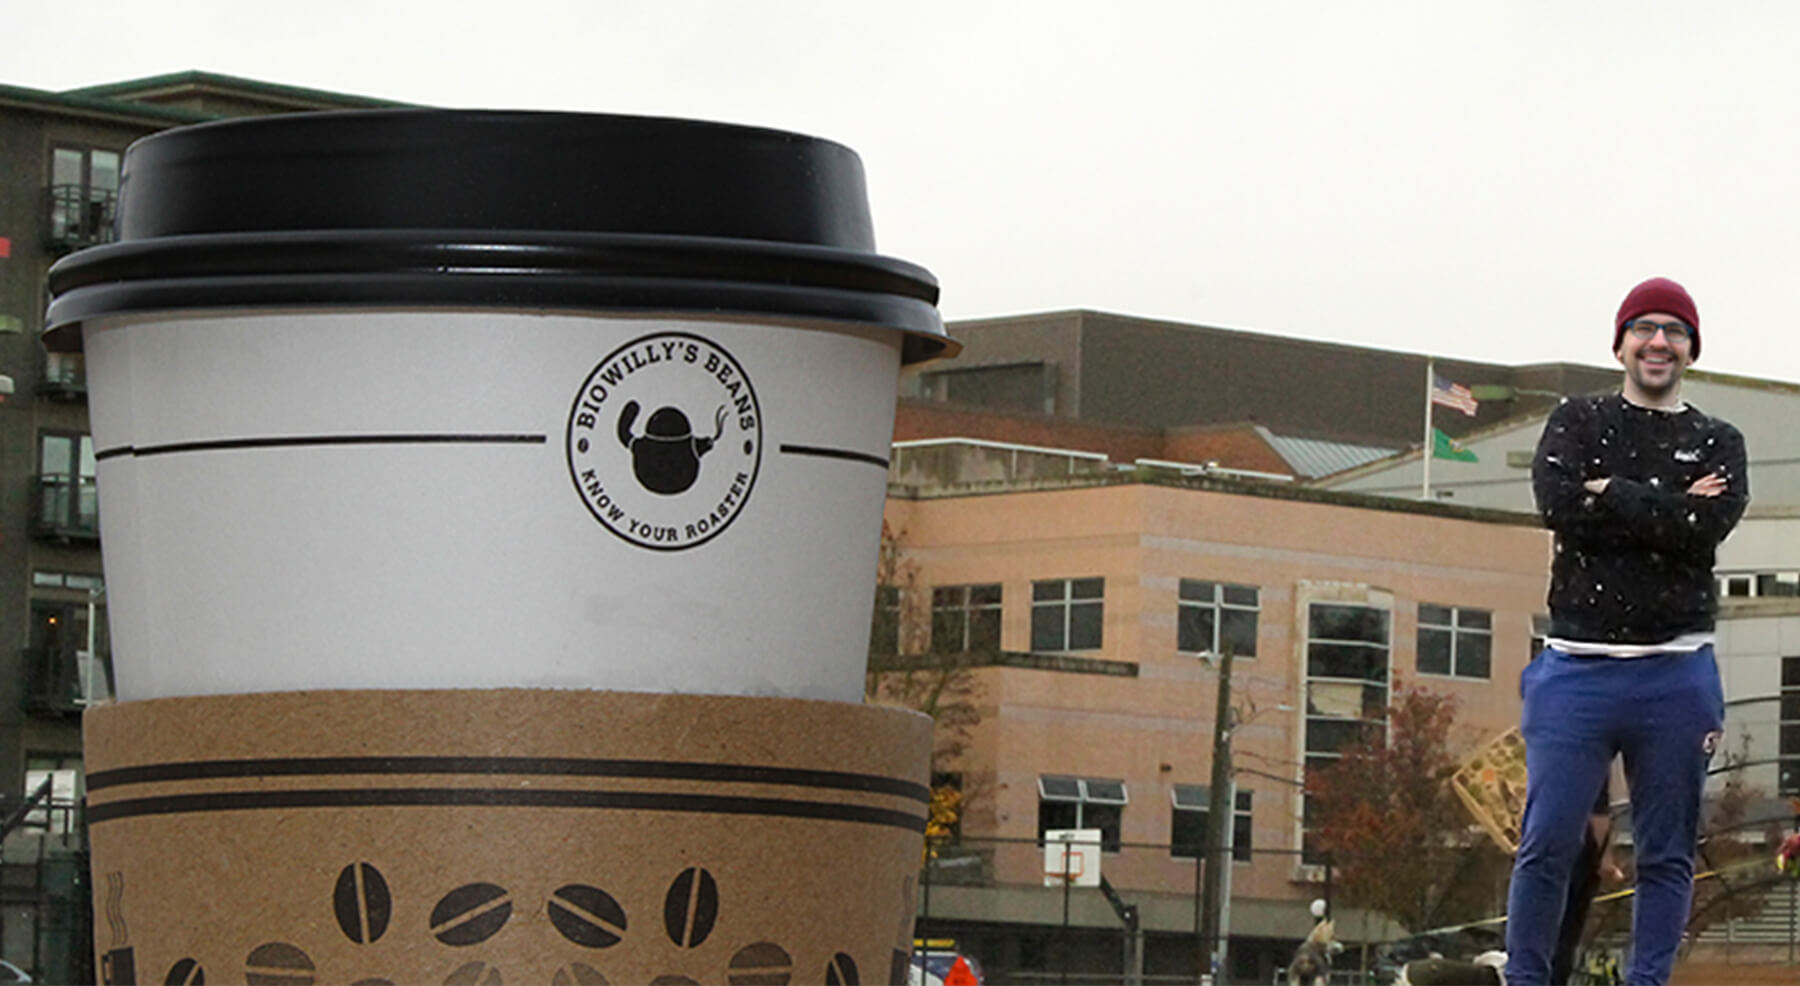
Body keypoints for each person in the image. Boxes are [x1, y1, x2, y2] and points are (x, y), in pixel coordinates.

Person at [1506, 276, 1748, 985]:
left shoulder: (1717, 439)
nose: (1659, 342)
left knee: (1667, 850)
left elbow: (1704, 531)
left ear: (1691, 350)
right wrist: (1666, 507)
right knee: (1547, 842)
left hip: (1676, 674)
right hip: (1574, 669)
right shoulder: (1576, 421)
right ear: (1619, 344)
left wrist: (1613, 490)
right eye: (1644, 327)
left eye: (1675, 330)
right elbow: (1558, 506)